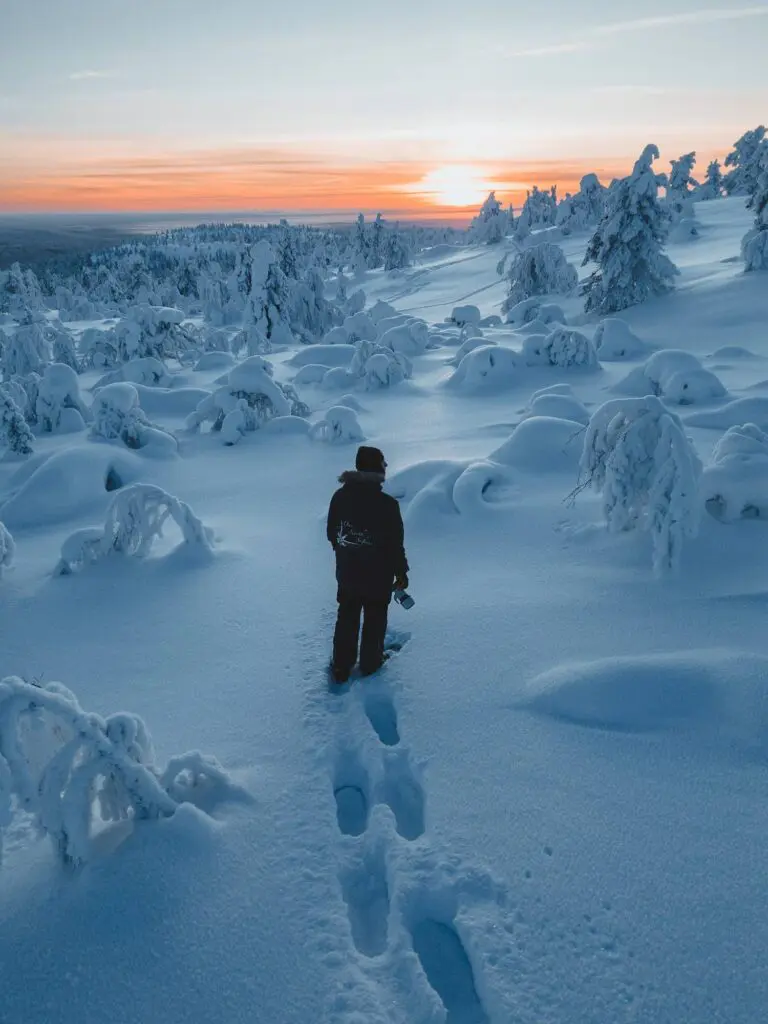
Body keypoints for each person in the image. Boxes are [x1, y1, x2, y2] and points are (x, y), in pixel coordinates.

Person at [326, 445, 409, 683]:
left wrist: (345, 553)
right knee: (375, 617)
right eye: (383, 462)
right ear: (376, 467)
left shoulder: (340, 497)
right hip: (378, 577)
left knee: (347, 615)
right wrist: (401, 572)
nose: (386, 466)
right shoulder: (387, 505)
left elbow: (332, 533)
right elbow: (395, 545)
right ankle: (370, 664)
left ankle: (341, 666)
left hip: (348, 573)